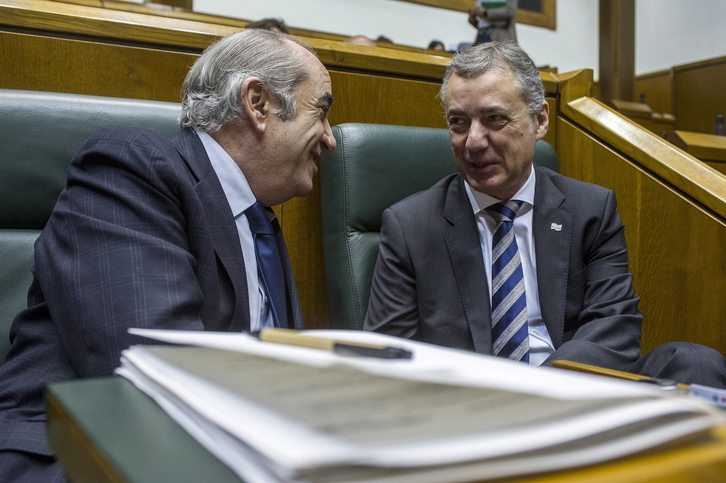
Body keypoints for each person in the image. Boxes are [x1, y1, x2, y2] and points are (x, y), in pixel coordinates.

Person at [0, 29, 336, 481]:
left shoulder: (262, 225)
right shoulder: (131, 168)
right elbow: (155, 367)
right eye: (323, 110)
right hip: (83, 454)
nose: (331, 139)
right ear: (258, 103)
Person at [364, 41, 726, 388]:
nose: (472, 141)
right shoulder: (410, 224)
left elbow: (613, 324)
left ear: (539, 121)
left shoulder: (590, 210)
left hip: (573, 389)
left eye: (494, 119)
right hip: (466, 406)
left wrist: (537, 389)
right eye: (458, 122)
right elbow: (387, 356)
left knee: (697, 362)